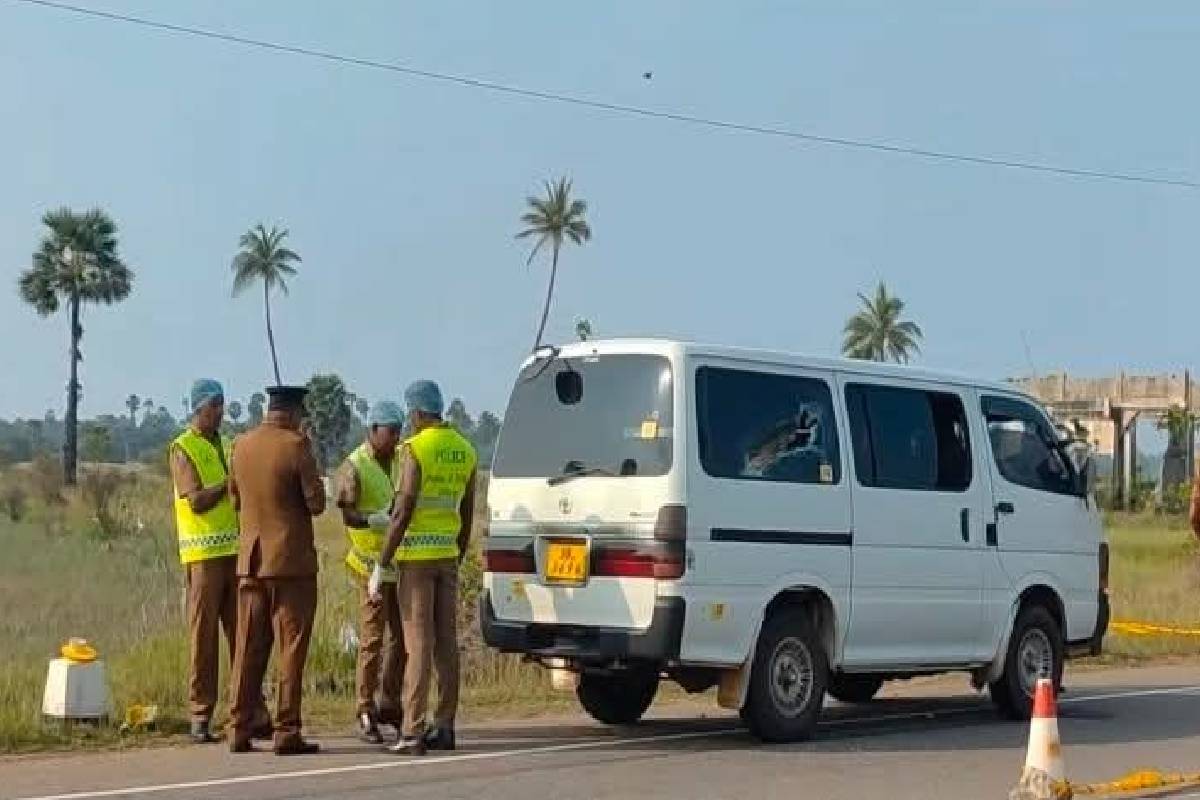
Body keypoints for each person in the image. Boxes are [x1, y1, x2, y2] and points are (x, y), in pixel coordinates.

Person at [374, 380, 477, 756]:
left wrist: (382, 561)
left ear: (417, 412)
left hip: (415, 560)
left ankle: (413, 730)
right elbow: (466, 512)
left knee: (417, 644)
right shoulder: (464, 450)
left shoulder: (415, 449)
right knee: (446, 644)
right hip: (447, 556)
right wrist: (458, 552)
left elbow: (402, 512)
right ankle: (445, 724)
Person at [226, 385, 326, 755]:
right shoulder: (297, 446)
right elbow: (316, 503)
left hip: (251, 562)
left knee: (248, 648)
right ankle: (287, 729)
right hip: (291, 564)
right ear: (296, 411)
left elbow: (235, 498)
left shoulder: (241, 445)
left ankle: (238, 726)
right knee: (291, 648)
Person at [169, 379, 269, 744]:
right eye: (215, 405)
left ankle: (250, 710)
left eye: (223, 404)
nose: (221, 411)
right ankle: (200, 714)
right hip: (202, 556)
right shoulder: (183, 448)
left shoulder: (228, 445)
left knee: (244, 633)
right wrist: (229, 485)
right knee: (204, 637)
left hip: (234, 552)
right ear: (199, 407)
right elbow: (195, 499)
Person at [336, 400, 407, 743]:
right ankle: (364, 708)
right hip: (368, 564)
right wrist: (375, 518)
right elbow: (347, 515)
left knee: (402, 639)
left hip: (398, 562)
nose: (395, 438)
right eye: (390, 431)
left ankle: (390, 703)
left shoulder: (403, 460)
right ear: (373, 429)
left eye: (399, 431)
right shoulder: (354, 465)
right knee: (372, 639)